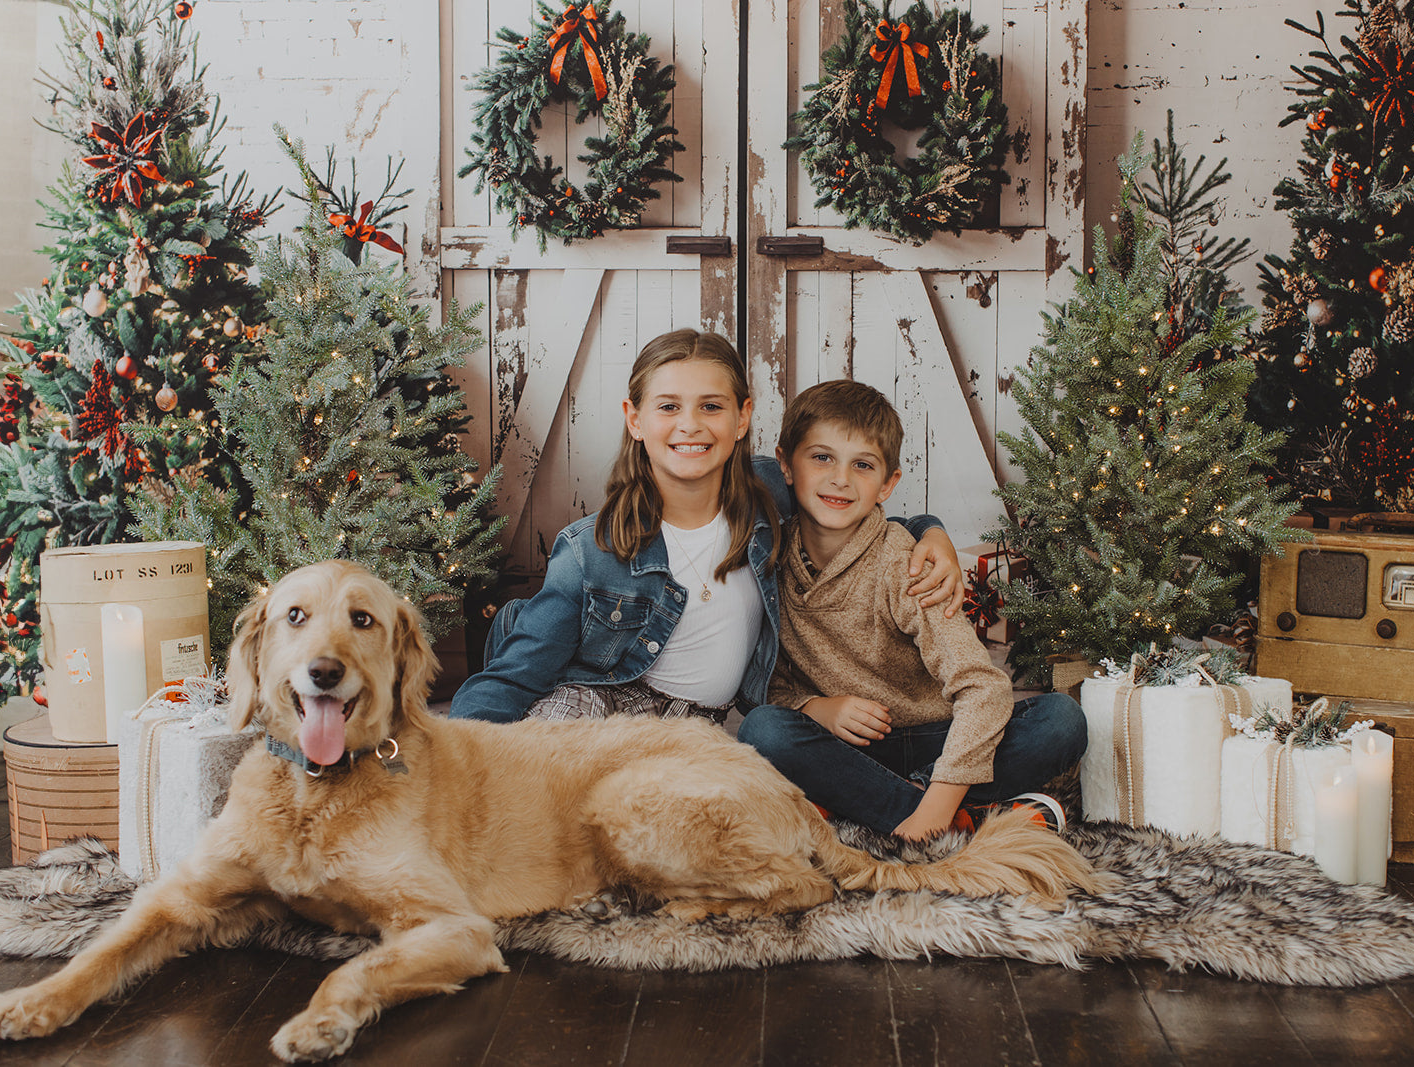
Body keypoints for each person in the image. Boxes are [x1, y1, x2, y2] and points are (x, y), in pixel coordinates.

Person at [449, 329, 964, 726]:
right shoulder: (593, 549)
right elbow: (514, 679)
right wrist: (445, 753)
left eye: (711, 407)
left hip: (695, 728)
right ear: (635, 420)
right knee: (544, 792)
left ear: (742, 419)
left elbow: (856, 509)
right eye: (668, 407)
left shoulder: (770, 492)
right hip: (596, 704)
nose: (690, 425)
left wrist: (932, 533)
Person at [737, 379, 1087, 840]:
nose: (840, 478)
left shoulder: (907, 565)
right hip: (851, 748)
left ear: (887, 484)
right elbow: (771, 686)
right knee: (763, 732)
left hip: (939, 736)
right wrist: (817, 707)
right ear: (785, 464)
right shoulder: (771, 560)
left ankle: (909, 814)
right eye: (821, 457)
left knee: (1060, 722)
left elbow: (982, 689)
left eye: (862, 465)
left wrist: (934, 807)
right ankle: (963, 821)